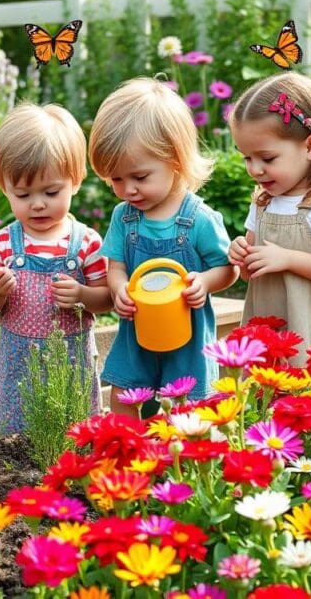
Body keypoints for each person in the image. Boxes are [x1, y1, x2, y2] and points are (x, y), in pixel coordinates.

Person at [89, 77, 239, 417]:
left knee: (186, 403)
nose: (128, 189)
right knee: (124, 390)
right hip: (136, 328)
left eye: (139, 177)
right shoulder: (124, 217)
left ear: (175, 160)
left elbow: (229, 268)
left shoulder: (199, 219)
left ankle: (180, 461)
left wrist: (205, 282)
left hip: (186, 332)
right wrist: (118, 288)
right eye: (116, 179)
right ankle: (126, 452)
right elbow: (116, 265)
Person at [0, 103, 112, 435]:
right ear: (4, 186)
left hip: (71, 357)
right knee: (16, 438)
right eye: (23, 194)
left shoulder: (86, 242)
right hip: (18, 361)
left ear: (75, 181)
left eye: (51, 192)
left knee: (73, 428)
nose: (37, 203)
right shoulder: (4, 242)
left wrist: (82, 295)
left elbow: (107, 298)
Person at [227, 72, 311, 365]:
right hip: (268, 330)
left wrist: (288, 259)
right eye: (247, 158)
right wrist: (241, 256)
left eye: (267, 158)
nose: (255, 169)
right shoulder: (263, 202)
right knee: (265, 405)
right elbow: (253, 271)